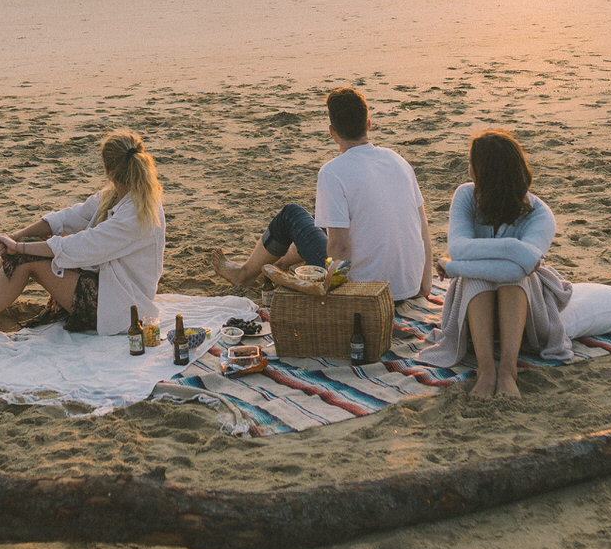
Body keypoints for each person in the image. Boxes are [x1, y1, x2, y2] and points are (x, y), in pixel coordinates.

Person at [0, 130, 166, 338]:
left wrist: (20, 248)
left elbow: (83, 246)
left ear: (106, 168)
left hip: (120, 307)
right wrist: (14, 238)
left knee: (25, 259)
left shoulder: (137, 213)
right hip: (104, 285)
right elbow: (66, 219)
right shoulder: (116, 196)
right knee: (21, 248)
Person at [213, 88, 430, 302]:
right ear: (369, 125)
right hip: (408, 288)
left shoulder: (333, 171)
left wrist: (335, 298)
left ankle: (243, 276)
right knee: (328, 222)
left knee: (293, 215)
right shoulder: (398, 161)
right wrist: (424, 286)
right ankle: (281, 264)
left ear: (332, 132)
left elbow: (340, 247)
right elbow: (423, 230)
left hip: (363, 292)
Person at [417, 130, 574, 399]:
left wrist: (454, 268)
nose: (468, 170)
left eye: (472, 164)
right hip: (474, 295)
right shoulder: (466, 196)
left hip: (525, 302)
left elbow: (517, 271)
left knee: (513, 280)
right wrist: (516, 250)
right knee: (480, 279)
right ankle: (486, 369)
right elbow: (458, 248)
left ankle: (508, 369)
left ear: (485, 172)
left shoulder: (539, 214)